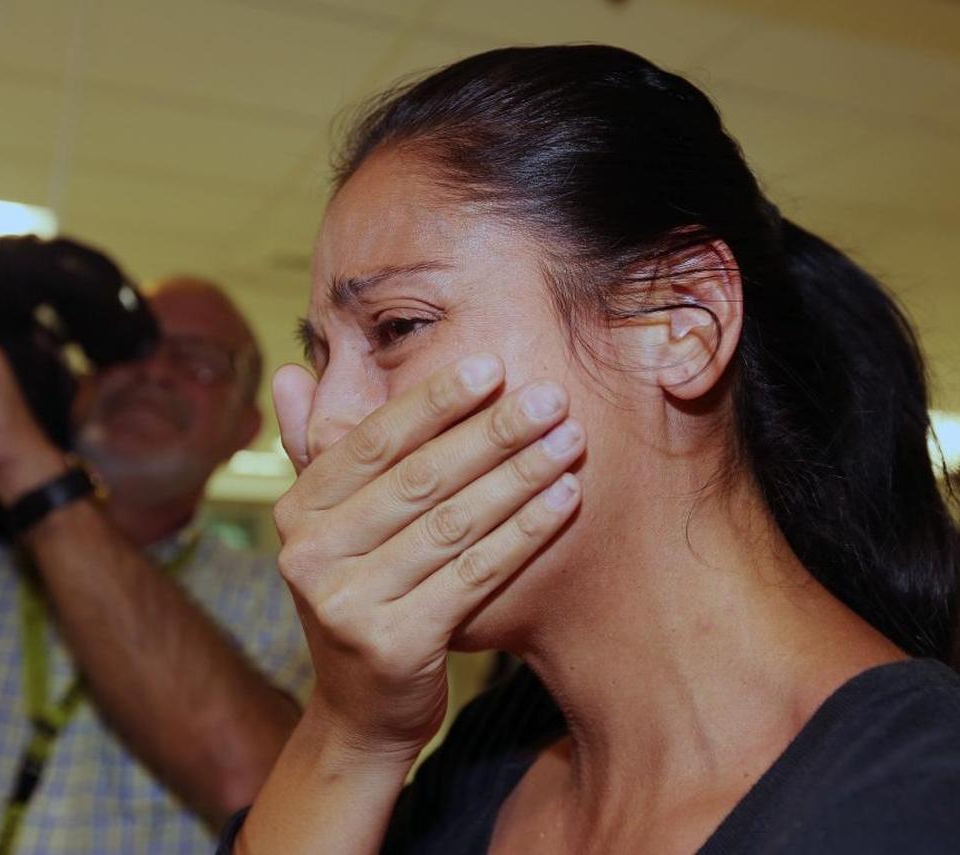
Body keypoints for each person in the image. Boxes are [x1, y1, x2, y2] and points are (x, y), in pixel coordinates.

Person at [222, 45, 960, 853]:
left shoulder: (919, 799)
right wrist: (350, 730)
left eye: (398, 326)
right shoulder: (485, 766)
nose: (327, 425)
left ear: (679, 322)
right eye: (321, 356)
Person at [0, 257, 312, 853]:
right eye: (129, 347)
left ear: (247, 428)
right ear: (82, 383)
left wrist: (27, 473)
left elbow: (265, 796)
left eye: (199, 361)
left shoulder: (286, 603)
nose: (154, 370)